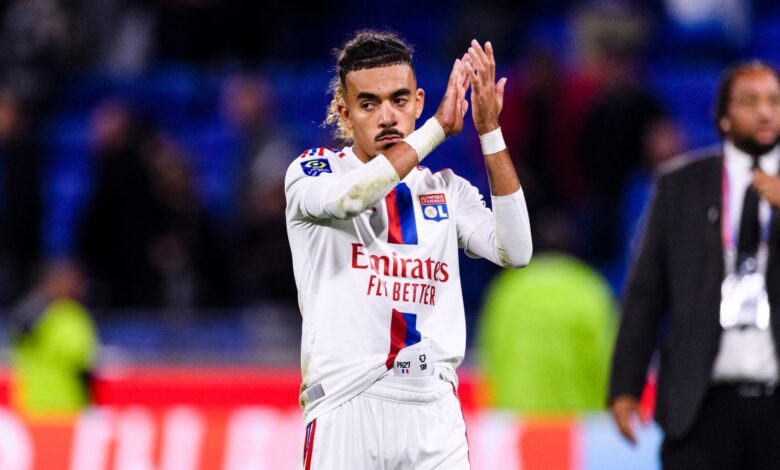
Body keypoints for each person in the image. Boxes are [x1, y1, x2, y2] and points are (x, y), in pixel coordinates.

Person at [285, 30, 532, 469]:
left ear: (418, 101)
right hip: (347, 404)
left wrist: (489, 130)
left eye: (399, 101)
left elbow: (516, 249)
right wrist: (438, 128)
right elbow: (353, 198)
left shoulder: (447, 190)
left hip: (432, 410)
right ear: (344, 113)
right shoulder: (313, 173)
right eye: (368, 104)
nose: (387, 117)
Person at [609, 61, 780, 469]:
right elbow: (646, 293)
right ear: (723, 116)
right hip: (700, 406)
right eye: (750, 101)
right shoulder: (679, 185)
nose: (765, 112)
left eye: (774, 101)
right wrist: (625, 385)